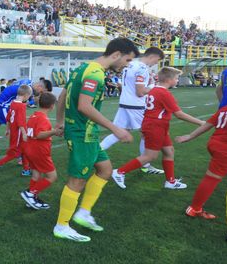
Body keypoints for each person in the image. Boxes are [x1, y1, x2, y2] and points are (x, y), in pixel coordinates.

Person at [52, 37, 138, 242]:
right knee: (77, 180)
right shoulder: (95, 74)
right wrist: (115, 128)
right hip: (82, 134)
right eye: (127, 61)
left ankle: (83, 213)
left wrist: (60, 121)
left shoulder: (83, 68)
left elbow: (62, 96)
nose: (126, 65)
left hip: (85, 133)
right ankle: (62, 226)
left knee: (105, 169)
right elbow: (84, 106)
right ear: (116, 54)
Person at [111, 67, 205, 190]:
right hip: (155, 126)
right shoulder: (164, 93)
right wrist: (201, 123)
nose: (177, 80)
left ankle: (170, 181)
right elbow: (179, 114)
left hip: (156, 125)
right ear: (169, 79)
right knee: (150, 156)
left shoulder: (154, 89)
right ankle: (119, 172)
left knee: (169, 151)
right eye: (176, 78)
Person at [176, 86, 227, 243]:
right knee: (213, 179)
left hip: (217, 144)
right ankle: (195, 209)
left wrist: (190, 136)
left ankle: (195, 208)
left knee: (215, 177)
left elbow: (209, 123)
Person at [100, 47, 165, 175]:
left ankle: (94, 152)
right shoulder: (142, 68)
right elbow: (140, 92)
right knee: (146, 134)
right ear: (152, 56)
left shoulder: (131, 64)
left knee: (119, 132)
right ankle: (145, 164)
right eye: (157, 60)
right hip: (136, 106)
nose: (156, 63)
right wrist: (154, 86)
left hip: (125, 103)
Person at [0, 78, 51, 160]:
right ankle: (19, 155)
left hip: (0, 103)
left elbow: (13, 92)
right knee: (17, 129)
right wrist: (33, 101)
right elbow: (21, 103)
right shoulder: (28, 88)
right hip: (3, 106)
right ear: (40, 86)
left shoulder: (28, 81)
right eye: (42, 91)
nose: (40, 93)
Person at [20, 92, 61, 210]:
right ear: (52, 106)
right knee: (52, 177)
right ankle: (31, 194)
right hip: (39, 151)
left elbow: (37, 132)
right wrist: (54, 132)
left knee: (36, 174)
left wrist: (53, 131)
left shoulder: (34, 115)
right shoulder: (43, 118)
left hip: (30, 149)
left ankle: (31, 200)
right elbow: (39, 134)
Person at [0, 85, 32, 175]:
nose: (28, 99)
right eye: (29, 97)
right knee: (15, 153)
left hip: (14, 132)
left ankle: (26, 169)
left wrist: (7, 129)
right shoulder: (21, 106)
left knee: (24, 149)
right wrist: (24, 133)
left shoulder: (13, 103)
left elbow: (8, 118)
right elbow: (20, 122)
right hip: (19, 133)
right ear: (25, 95)